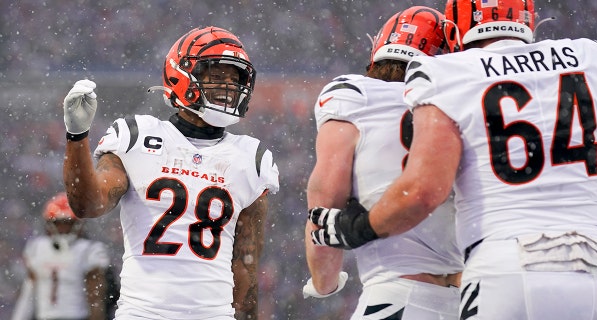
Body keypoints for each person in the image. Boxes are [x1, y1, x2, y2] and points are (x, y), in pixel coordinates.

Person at [308, 0, 597, 319]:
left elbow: (422, 190)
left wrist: (359, 228)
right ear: (528, 18)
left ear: (458, 28)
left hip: (503, 268)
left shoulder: (447, 74)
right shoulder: (585, 57)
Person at [62, 26, 279, 320]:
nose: (228, 87)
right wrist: (77, 137)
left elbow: (245, 266)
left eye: (234, 78)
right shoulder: (136, 136)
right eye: (216, 76)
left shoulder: (250, 158)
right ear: (181, 75)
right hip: (142, 314)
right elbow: (87, 205)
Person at [304, 6, 463, 319]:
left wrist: (325, 282)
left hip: (398, 294)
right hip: (476, 297)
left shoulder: (355, 97)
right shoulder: (462, 100)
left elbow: (324, 208)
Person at [11, 192, 110, 320]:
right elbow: (28, 294)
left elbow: (95, 297)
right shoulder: (37, 248)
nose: (63, 228)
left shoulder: (89, 250)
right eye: (59, 223)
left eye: (68, 223)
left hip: (77, 317)